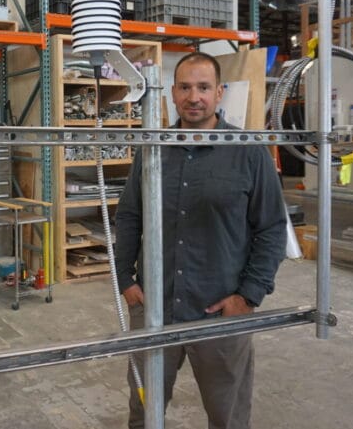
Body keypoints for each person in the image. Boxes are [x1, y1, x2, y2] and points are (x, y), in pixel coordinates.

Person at [115, 52, 287, 429]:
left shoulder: (249, 152)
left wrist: (248, 295)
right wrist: (125, 280)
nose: (195, 96)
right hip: (155, 305)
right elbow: (129, 215)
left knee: (228, 416)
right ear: (172, 94)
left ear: (220, 93)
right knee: (143, 412)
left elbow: (272, 228)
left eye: (204, 87)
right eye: (185, 87)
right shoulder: (152, 150)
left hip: (220, 310)